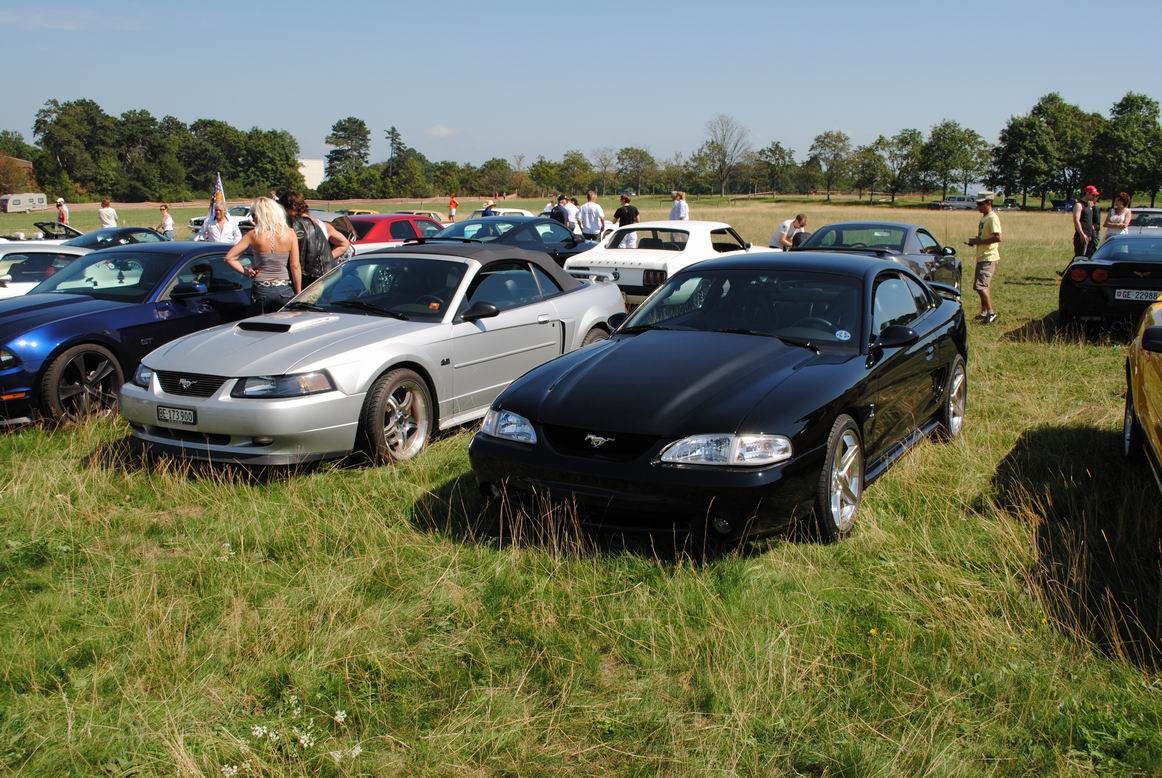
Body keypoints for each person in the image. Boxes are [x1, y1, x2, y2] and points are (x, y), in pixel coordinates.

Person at [225, 197, 300, 313]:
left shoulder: (253, 235)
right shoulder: (290, 233)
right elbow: (295, 266)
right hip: (284, 287)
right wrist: (299, 292)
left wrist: (246, 271)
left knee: (261, 327)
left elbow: (229, 258)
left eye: (253, 215)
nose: (252, 219)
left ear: (261, 215)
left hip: (261, 289)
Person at [280, 190, 351, 287]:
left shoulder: (289, 226)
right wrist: (327, 257)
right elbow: (344, 244)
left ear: (291, 207)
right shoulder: (322, 225)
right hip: (323, 277)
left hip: (302, 280)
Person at [966, 191, 1002, 324]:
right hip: (982, 256)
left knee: (980, 286)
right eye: (977, 204)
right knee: (983, 285)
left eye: (981, 204)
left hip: (988, 257)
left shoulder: (992, 218)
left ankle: (991, 313)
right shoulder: (985, 217)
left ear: (989, 203)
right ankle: (984, 312)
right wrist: (975, 240)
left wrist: (979, 242)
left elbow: (997, 237)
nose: (978, 207)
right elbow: (985, 236)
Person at [1072, 184, 1101, 259]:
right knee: (1080, 258)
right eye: (1093, 195)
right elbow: (1076, 220)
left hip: (1091, 236)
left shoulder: (1089, 205)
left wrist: (1093, 232)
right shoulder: (1078, 205)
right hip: (1082, 236)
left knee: (1089, 258)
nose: (1094, 197)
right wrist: (1082, 234)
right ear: (1087, 193)